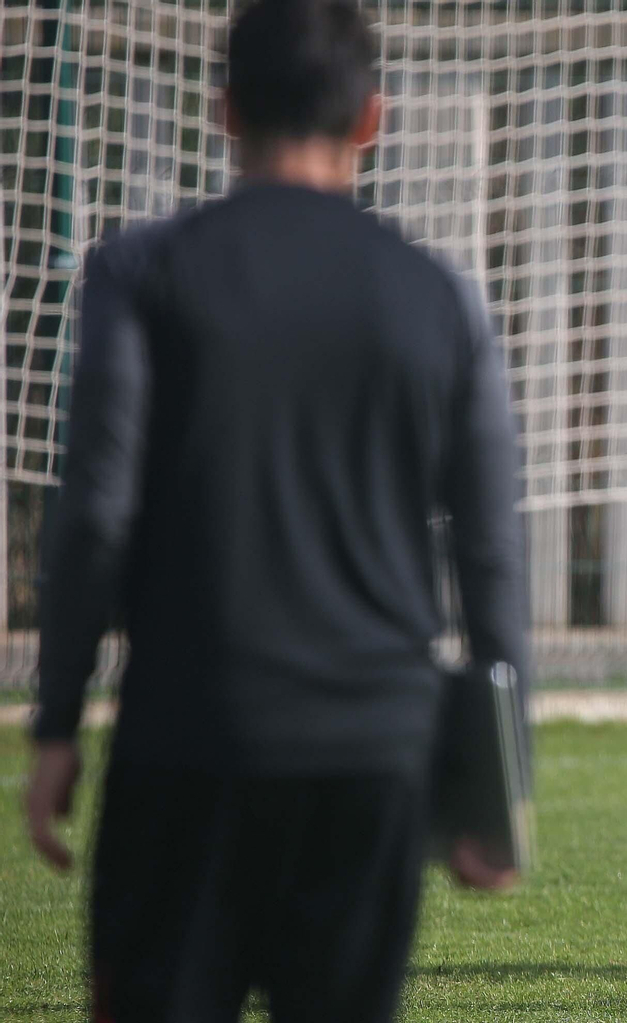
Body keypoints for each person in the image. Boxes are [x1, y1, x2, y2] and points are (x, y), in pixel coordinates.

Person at [22, 1, 529, 1019]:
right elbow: (489, 548)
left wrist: (58, 720)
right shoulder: (441, 297)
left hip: (188, 737)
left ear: (225, 109)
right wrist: (498, 785)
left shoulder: (140, 271)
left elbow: (95, 511)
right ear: (372, 117)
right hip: (374, 755)